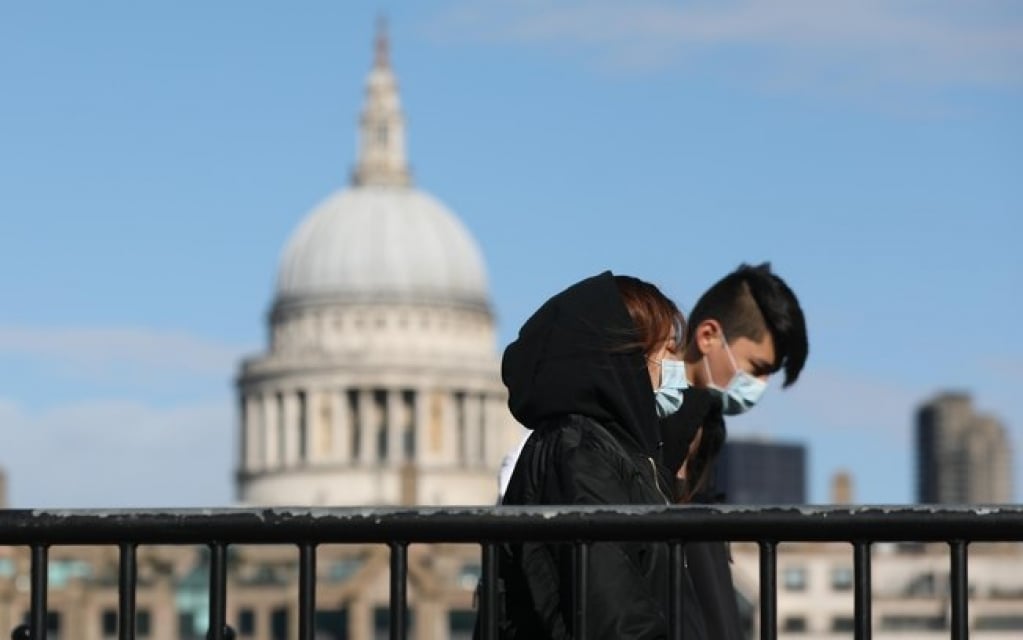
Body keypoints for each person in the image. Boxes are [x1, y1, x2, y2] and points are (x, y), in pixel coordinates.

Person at [481, 271, 718, 640]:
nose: (678, 364)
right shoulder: (579, 453)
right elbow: (611, 612)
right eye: (669, 349)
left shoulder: (623, 454)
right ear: (628, 356)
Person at [658, 262, 810, 640]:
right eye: (756, 368)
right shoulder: (642, 412)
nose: (759, 386)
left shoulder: (708, 429)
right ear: (708, 335)